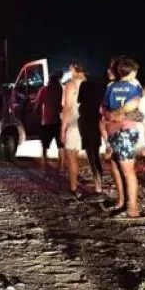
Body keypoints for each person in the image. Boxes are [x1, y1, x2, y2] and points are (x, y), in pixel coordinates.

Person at [100, 57, 145, 218]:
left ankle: (126, 204)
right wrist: (121, 113)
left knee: (122, 169)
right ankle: (132, 209)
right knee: (129, 172)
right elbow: (136, 103)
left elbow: (104, 108)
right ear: (133, 72)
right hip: (126, 130)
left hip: (113, 130)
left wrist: (111, 115)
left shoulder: (111, 86)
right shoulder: (134, 85)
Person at [76, 69, 106, 197]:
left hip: (86, 120)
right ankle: (99, 179)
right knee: (96, 152)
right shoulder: (100, 87)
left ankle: (98, 185)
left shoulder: (84, 85)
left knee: (90, 154)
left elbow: (79, 99)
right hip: (97, 120)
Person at [60, 64, 86, 198]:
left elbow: (68, 107)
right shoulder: (88, 84)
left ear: (74, 70)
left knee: (71, 156)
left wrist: (63, 128)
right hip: (87, 123)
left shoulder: (71, 84)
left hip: (74, 123)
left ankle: (73, 189)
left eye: (70, 69)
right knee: (78, 155)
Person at [37, 71, 64, 170]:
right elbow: (61, 105)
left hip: (46, 121)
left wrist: (36, 115)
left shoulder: (43, 89)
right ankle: (62, 165)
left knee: (44, 145)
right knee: (60, 145)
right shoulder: (60, 89)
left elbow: (38, 103)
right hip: (57, 120)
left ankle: (45, 165)